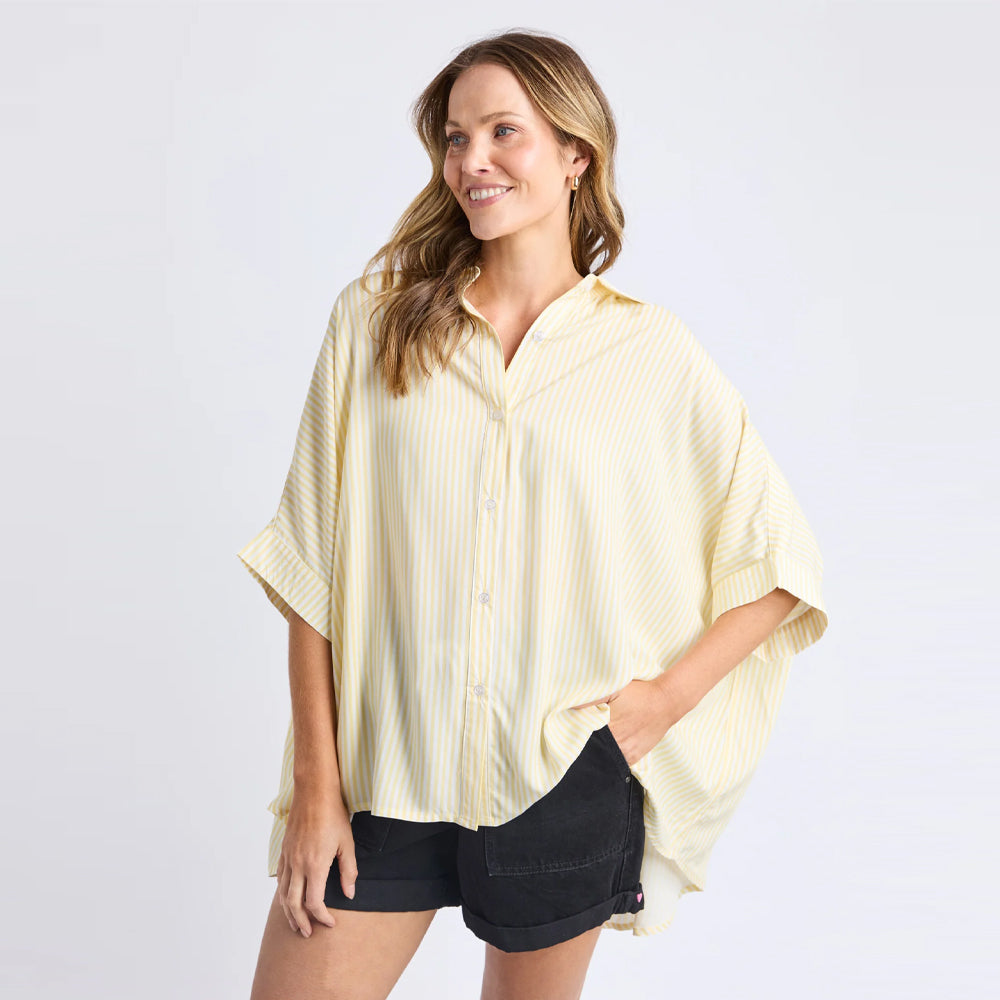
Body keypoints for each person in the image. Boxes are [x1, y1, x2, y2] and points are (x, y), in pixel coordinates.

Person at [237, 28, 829, 1000]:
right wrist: (314, 787)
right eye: (454, 137)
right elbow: (312, 566)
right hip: (380, 772)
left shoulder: (652, 355)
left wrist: (656, 707)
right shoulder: (372, 324)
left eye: (502, 131)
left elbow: (777, 561)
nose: (471, 159)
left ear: (574, 153)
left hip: (561, 777)